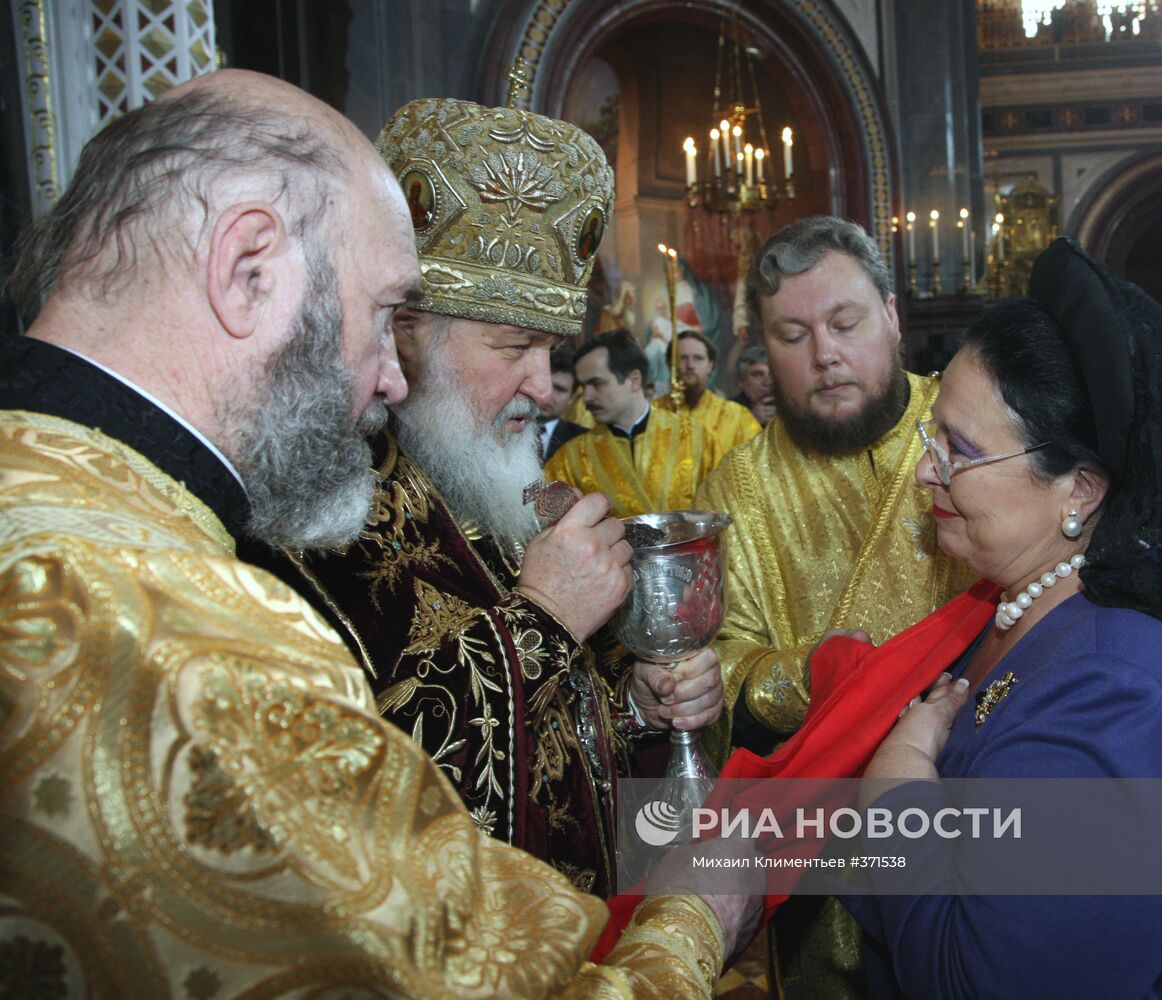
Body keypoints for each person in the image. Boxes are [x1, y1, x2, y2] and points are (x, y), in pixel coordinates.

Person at [0, 69, 752, 997]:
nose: (389, 376)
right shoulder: (204, 609)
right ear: (249, 267)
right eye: (385, 314)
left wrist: (630, 708)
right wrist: (696, 918)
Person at [243, 95, 723, 900]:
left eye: (550, 351)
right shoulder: (305, 513)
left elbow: (568, 738)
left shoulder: (510, 492)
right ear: (407, 331)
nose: (544, 388)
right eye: (514, 347)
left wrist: (636, 706)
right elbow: (343, 818)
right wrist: (540, 621)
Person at [834, 238, 1162, 995]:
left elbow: (975, 981)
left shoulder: (1121, 697)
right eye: (933, 433)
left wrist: (896, 788)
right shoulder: (1008, 601)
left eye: (957, 449)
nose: (927, 468)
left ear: (1079, 491)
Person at [695, 216, 976, 999]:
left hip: (982, 798)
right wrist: (812, 677)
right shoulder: (738, 488)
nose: (825, 354)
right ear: (760, 349)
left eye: (845, 323)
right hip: (820, 854)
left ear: (890, 315)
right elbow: (718, 667)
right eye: (792, 334)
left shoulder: (963, 431)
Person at [545, 329, 720, 517]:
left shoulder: (696, 438)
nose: (586, 397)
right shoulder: (570, 458)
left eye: (596, 384)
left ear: (634, 380)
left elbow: (718, 508)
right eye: (583, 386)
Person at [657, 330, 761, 463]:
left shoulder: (737, 417)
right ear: (669, 363)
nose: (690, 365)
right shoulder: (653, 414)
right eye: (682, 358)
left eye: (698, 358)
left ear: (711, 366)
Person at [541, 342, 587, 460]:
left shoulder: (583, 441)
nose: (549, 395)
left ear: (571, 398)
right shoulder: (502, 427)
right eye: (545, 384)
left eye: (559, 389)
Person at [731, 344, 776, 426]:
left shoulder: (788, 407)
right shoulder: (727, 411)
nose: (767, 382)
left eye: (772, 374)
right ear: (741, 381)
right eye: (758, 375)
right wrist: (750, 421)